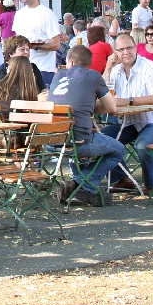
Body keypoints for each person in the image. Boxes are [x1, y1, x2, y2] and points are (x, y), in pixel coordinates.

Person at [51, 46, 124, 207]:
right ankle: (82, 185)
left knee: (82, 146)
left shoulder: (58, 76)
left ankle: (78, 186)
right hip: (79, 142)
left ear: (70, 62)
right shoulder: (93, 76)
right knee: (119, 150)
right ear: (89, 64)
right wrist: (89, 106)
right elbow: (111, 108)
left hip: (52, 141)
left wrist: (86, 107)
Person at [102, 34, 153, 195]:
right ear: (115, 52)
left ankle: (152, 184)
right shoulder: (115, 71)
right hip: (132, 122)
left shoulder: (148, 67)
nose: (126, 52)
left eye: (129, 48)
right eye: (121, 49)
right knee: (101, 139)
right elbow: (103, 92)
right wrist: (107, 68)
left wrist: (129, 100)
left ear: (136, 48)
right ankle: (123, 179)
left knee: (143, 144)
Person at [11, 0, 62, 86]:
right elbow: (17, 39)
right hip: (22, 68)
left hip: (43, 68)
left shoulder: (47, 14)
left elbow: (56, 44)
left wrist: (37, 46)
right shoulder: (19, 14)